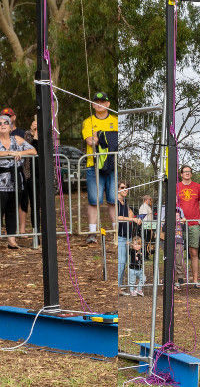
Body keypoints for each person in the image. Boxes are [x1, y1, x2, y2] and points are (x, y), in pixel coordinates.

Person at [0, 114, 33, 250]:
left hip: (15, 179)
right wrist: (11, 153)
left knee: (12, 210)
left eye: (6, 122)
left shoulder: (17, 139)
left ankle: (12, 241)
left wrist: (20, 154)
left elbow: (33, 150)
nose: (3, 125)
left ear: (11, 126)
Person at [81, 92, 117, 244]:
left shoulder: (116, 120)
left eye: (103, 101)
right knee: (94, 200)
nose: (99, 104)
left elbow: (116, 142)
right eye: (96, 101)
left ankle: (117, 232)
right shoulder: (88, 121)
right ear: (92, 104)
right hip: (93, 165)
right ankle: (92, 232)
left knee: (113, 199)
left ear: (108, 104)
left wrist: (100, 136)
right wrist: (107, 137)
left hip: (113, 165)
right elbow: (90, 141)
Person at [116, 181, 136, 294]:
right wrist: (131, 219)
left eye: (127, 188)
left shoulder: (125, 203)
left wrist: (131, 217)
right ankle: (117, 288)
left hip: (126, 236)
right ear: (117, 189)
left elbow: (130, 214)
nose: (125, 189)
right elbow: (117, 217)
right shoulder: (116, 202)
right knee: (121, 262)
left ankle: (118, 286)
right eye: (122, 187)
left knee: (123, 263)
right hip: (119, 236)